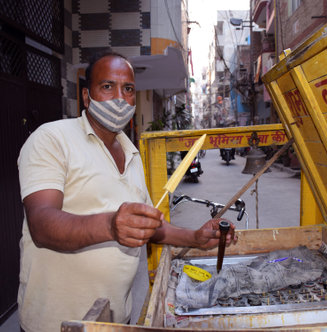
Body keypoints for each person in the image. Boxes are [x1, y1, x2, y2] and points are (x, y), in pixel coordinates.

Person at [17, 51, 237, 332]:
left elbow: (147, 226)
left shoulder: (132, 153)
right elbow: (42, 224)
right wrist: (109, 225)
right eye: (107, 87)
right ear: (87, 97)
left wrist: (194, 237)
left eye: (128, 89)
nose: (120, 98)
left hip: (118, 318)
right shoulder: (51, 139)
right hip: (57, 322)